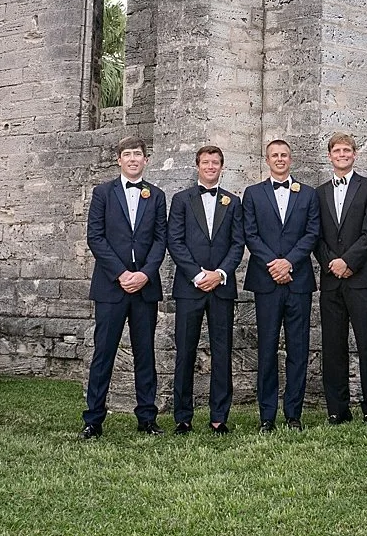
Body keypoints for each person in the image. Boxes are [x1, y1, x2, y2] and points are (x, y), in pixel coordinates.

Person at [81, 134, 166, 438]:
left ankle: (147, 417)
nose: (132, 159)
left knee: (145, 354)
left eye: (137, 154)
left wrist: (144, 273)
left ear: (146, 159)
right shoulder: (103, 193)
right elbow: (96, 237)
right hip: (110, 287)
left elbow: (160, 239)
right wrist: (120, 273)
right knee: (104, 353)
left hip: (145, 287)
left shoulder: (156, 195)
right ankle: (93, 420)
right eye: (127, 154)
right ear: (119, 160)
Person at [239, 137, 319, 431]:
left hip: (298, 281)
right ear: (267, 159)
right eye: (274, 155)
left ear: (291, 159)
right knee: (267, 348)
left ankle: (293, 414)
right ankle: (267, 415)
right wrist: (274, 263)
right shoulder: (253, 194)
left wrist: (290, 263)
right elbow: (250, 234)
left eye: (284, 155)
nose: (280, 159)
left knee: (298, 349)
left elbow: (312, 233)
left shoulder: (308, 194)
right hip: (266, 280)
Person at [164, 144, 245, 434]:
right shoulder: (181, 199)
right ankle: (183, 417)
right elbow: (175, 241)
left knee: (222, 353)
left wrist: (220, 273)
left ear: (222, 167)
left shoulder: (233, 202)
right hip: (190, 287)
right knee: (185, 352)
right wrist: (198, 275)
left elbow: (238, 244)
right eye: (206, 162)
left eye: (216, 162)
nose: (211, 167)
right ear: (197, 166)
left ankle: (219, 416)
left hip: (221, 288)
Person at [316, 131, 367, 424]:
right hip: (332, 280)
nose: (342, 155)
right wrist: (332, 263)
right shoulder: (318, 193)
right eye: (337, 151)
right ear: (330, 156)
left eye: (347, 150)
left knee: (366, 344)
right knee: (333, 346)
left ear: (355, 155)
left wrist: (348, 262)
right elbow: (315, 235)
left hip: (363, 279)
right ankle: (337, 409)